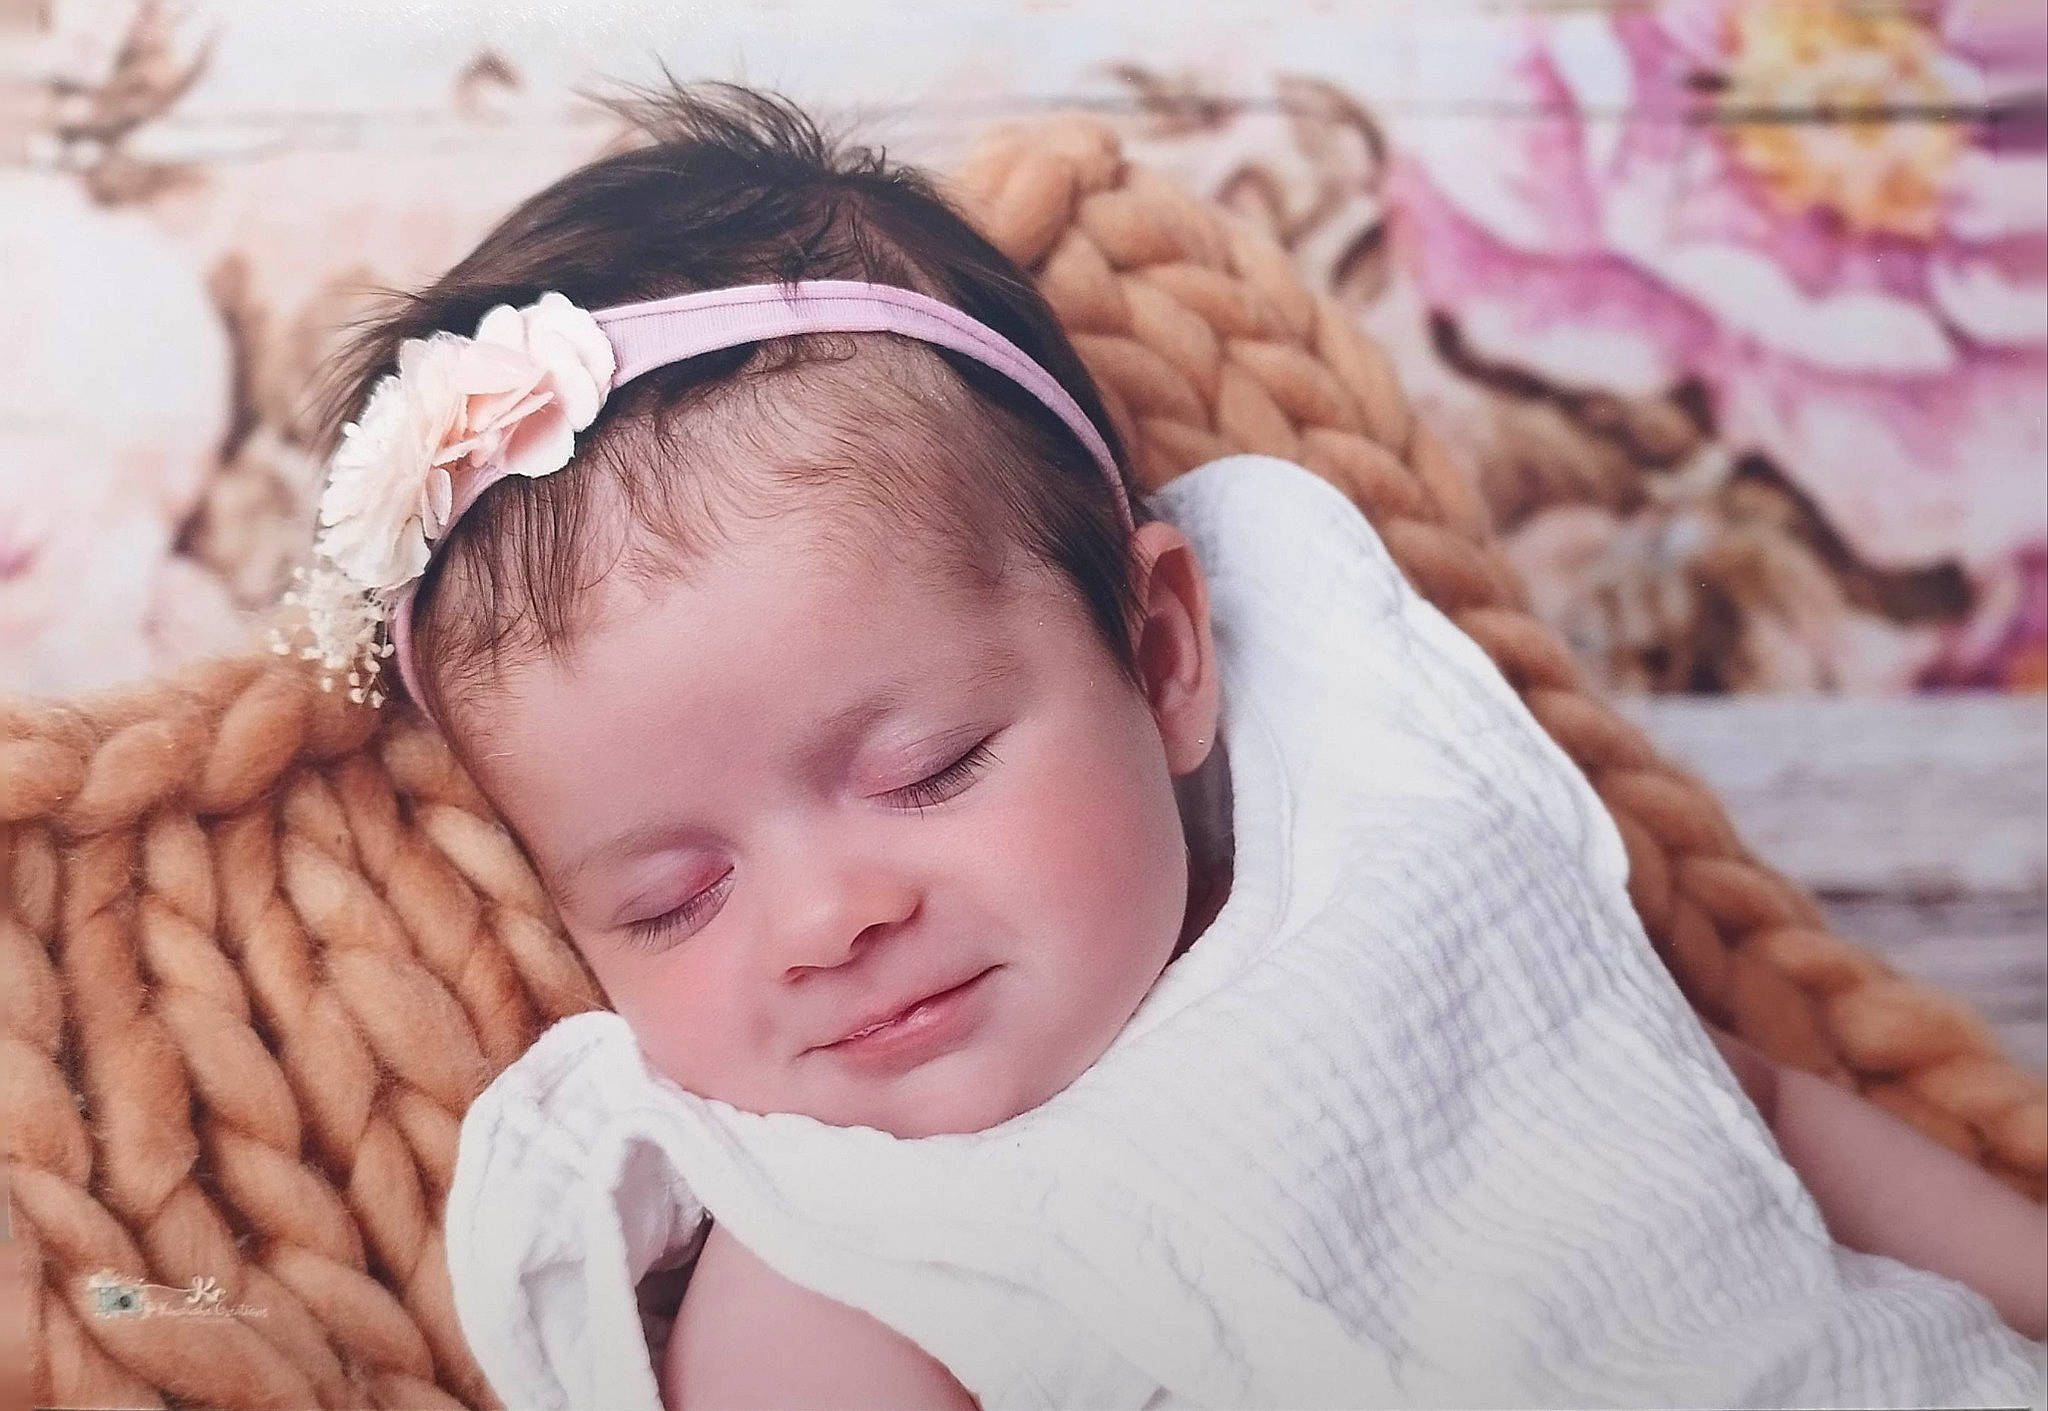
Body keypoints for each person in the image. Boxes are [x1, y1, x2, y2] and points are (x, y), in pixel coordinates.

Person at [283, 81, 2047, 1409]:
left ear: (1162, 651)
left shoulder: (1381, 863)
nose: (828, 922)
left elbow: (1746, 1118)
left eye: (931, 768)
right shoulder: (831, 1281)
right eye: (673, 899)